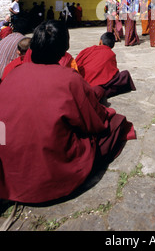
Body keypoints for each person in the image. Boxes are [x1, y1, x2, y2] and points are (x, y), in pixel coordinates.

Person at [0, 20, 135, 204]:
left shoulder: (13, 74)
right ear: (64, 48)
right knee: (116, 123)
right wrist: (106, 113)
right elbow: (94, 122)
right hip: (45, 179)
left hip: (6, 172)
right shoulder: (68, 79)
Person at [76, 32, 136, 98]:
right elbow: (112, 74)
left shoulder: (88, 50)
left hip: (79, 82)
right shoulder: (111, 54)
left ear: (100, 42)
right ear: (113, 45)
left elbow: (76, 63)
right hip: (95, 86)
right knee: (124, 75)